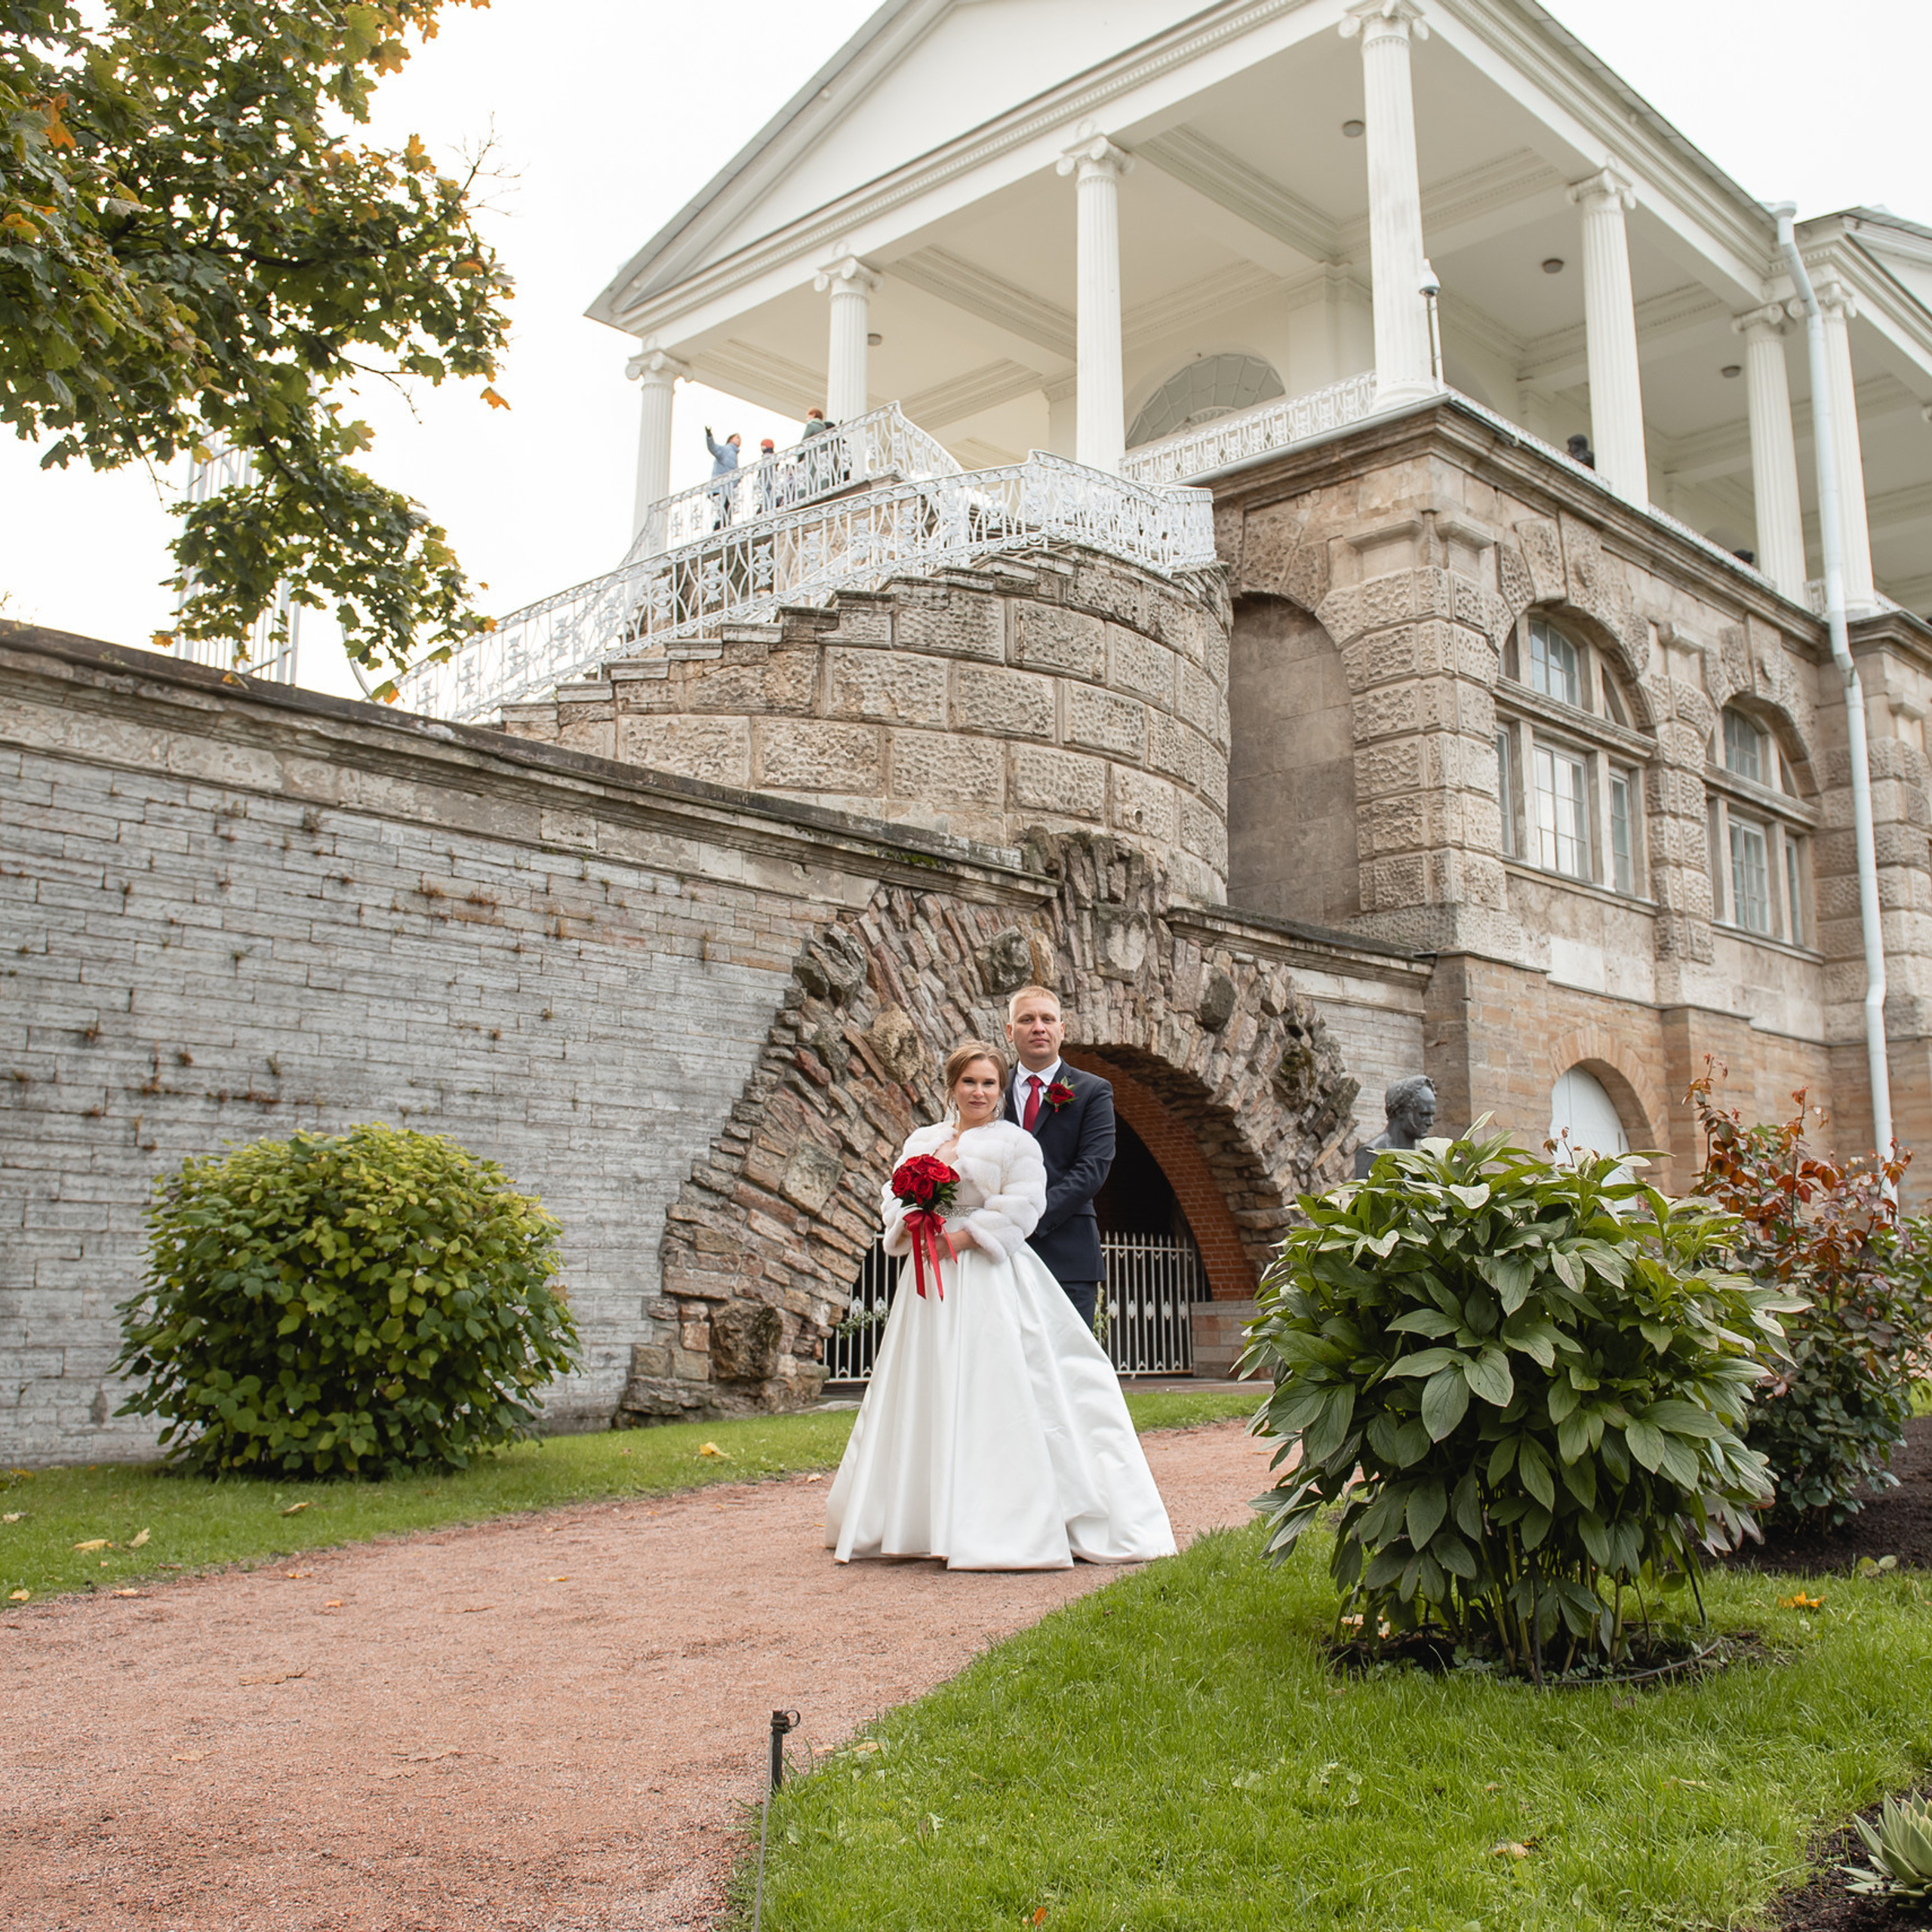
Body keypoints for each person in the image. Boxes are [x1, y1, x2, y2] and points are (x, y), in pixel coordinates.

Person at [824, 1039, 1176, 1570]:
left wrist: (964, 1240)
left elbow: (1026, 1205)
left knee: (993, 1381)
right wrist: (912, 1224)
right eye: (970, 1082)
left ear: (1000, 1090)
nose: (980, 1092)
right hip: (927, 1283)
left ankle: (996, 1518)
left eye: (989, 1083)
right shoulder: (923, 1139)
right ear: (952, 1087)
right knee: (927, 1383)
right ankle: (918, 1516)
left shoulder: (1015, 1144)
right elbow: (892, 1198)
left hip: (987, 1274)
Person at [1001, 985, 1112, 1331]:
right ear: (1010, 1031)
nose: (1038, 1027)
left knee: (1069, 1367)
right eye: (1027, 1019)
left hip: (1069, 1252)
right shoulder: (990, 1089)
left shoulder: (1093, 1091)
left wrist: (1027, 1219)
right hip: (999, 1254)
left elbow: (1092, 1169)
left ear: (1061, 1030)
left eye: (1047, 1019)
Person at [703, 426, 740, 528]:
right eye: (737, 437)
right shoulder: (726, 450)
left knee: (726, 512)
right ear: (730, 439)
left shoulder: (733, 454)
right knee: (722, 513)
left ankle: (724, 530)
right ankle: (719, 531)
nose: (739, 440)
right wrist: (710, 436)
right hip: (720, 488)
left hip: (727, 489)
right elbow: (713, 448)